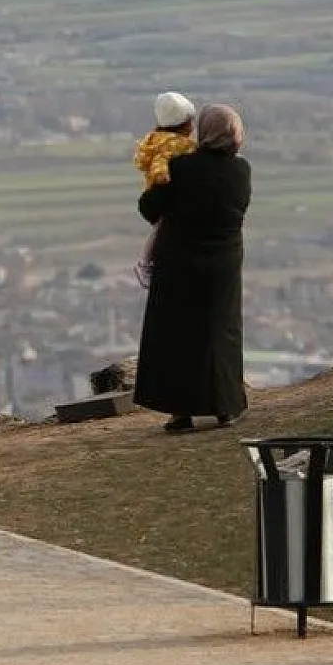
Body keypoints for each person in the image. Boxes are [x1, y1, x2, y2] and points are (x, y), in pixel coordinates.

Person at [132, 103, 251, 433]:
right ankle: (226, 407)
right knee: (220, 333)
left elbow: (149, 209)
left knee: (177, 336)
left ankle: (179, 413)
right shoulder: (241, 171)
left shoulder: (180, 168)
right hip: (223, 265)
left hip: (178, 264)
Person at [132, 91, 197, 286]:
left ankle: (145, 262)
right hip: (165, 198)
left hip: (155, 197)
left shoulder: (154, 141)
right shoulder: (177, 146)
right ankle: (144, 263)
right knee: (161, 229)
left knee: (159, 230)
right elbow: (163, 169)